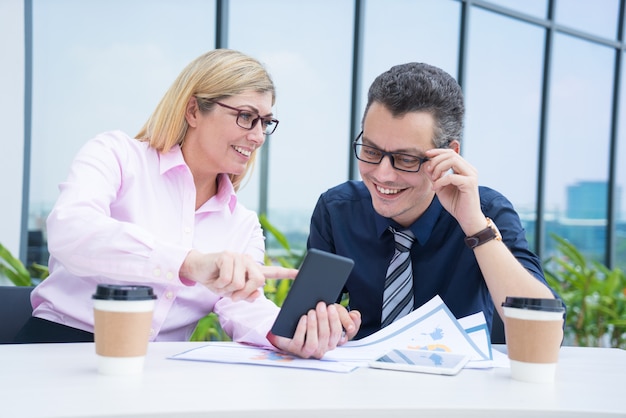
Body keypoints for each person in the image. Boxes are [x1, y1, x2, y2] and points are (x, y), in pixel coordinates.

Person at [16, 49, 361, 358]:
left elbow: (243, 308)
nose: (257, 136)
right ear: (194, 110)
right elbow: (71, 231)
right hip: (56, 352)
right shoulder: (116, 156)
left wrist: (291, 334)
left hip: (157, 372)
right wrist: (188, 263)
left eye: (265, 122)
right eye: (246, 116)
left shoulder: (241, 225)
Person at [307, 62, 561, 339]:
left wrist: (475, 228)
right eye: (370, 151)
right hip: (359, 376)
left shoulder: (485, 211)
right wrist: (324, 321)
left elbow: (544, 332)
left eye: (406, 159)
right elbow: (307, 318)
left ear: (448, 154)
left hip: (459, 379)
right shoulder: (337, 211)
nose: (383, 174)